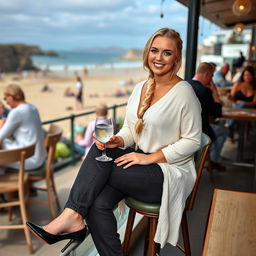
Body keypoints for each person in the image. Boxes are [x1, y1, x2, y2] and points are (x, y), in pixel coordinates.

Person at [26, 28, 202, 255]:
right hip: (138, 168)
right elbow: (131, 128)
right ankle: (79, 221)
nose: (159, 57)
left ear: (177, 58)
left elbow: (193, 140)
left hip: (167, 175)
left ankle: (71, 215)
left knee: (100, 160)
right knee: (97, 202)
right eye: (154, 50)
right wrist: (118, 140)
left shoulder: (184, 92)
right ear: (147, 53)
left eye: (167, 53)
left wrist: (149, 157)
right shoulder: (141, 88)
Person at [189, 62, 228, 171]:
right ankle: (213, 160)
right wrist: (215, 93)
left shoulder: (185, 85)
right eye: (211, 76)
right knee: (224, 131)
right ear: (206, 75)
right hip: (200, 132)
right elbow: (217, 113)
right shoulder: (204, 91)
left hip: (185, 131)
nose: (211, 79)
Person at [0, 84, 46, 170]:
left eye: (5, 98)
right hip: (40, 156)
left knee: (2, 156)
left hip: (29, 160)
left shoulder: (17, 112)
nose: (6, 102)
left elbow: (1, 136)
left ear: (11, 97)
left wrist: (1, 126)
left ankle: (11, 182)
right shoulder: (32, 107)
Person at [227, 65, 256, 141]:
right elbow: (231, 98)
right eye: (246, 75)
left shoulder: (254, 87)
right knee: (237, 108)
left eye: (250, 75)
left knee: (242, 105)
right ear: (243, 75)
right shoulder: (238, 85)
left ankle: (230, 124)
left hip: (250, 110)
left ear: (253, 76)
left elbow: (253, 103)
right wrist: (232, 100)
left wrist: (243, 102)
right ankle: (231, 126)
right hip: (236, 108)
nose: (247, 77)